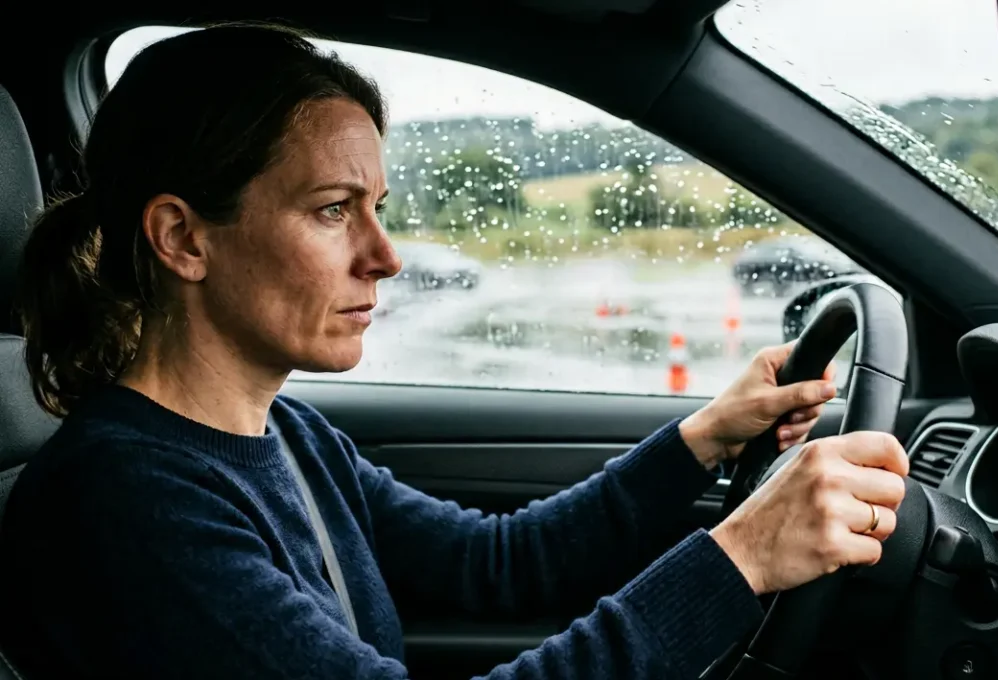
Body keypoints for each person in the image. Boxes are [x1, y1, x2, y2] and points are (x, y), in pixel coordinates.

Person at [0, 24, 909, 680]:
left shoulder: (291, 435)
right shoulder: (125, 503)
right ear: (184, 239)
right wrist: (742, 556)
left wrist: (705, 435)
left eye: (378, 209)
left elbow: (499, 562)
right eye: (330, 210)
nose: (386, 256)